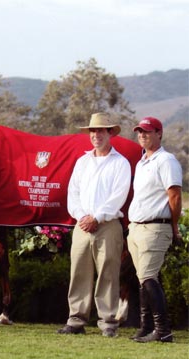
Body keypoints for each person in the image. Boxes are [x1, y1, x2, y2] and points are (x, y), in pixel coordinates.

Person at [57, 112, 131, 337]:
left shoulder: (121, 163)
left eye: (100, 130)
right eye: (93, 131)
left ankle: (108, 322)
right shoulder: (82, 162)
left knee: (108, 273)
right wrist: (82, 216)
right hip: (82, 225)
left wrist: (96, 217)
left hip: (107, 225)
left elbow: (118, 196)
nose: (96, 135)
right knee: (79, 271)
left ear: (110, 133)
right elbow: (73, 193)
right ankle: (76, 320)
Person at [127, 117, 182, 343]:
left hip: (156, 227)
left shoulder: (166, 160)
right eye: (140, 131)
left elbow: (175, 195)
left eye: (147, 132)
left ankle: (163, 329)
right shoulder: (142, 162)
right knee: (143, 279)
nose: (142, 135)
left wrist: (174, 225)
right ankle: (146, 327)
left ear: (159, 133)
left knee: (149, 276)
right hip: (137, 228)